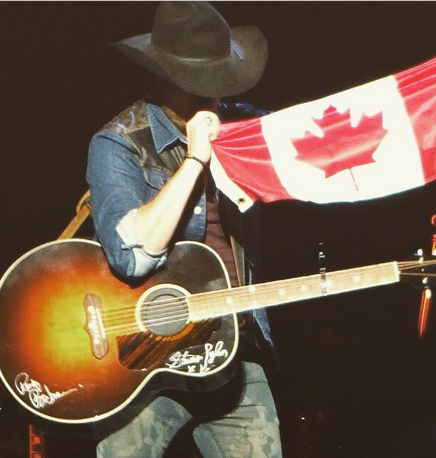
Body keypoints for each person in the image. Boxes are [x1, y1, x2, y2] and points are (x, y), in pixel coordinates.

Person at [86, 2, 283, 457]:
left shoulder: (244, 128)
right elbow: (130, 255)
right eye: (198, 88)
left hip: (234, 349)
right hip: (143, 357)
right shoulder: (118, 142)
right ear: (160, 79)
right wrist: (194, 159)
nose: (212, 100)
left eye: (220, 86)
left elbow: (327, 141)